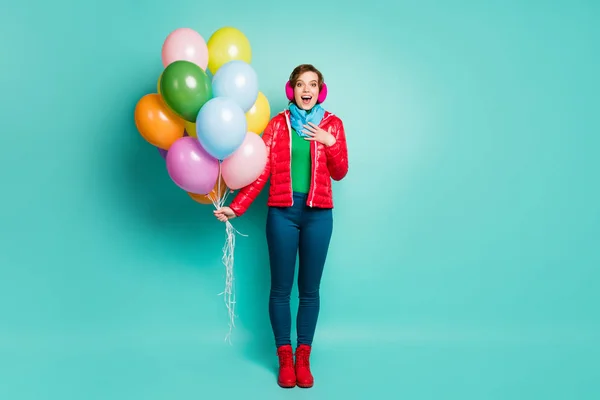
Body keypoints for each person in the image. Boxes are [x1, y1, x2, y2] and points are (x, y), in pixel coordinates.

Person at [214, 64, 349, 388]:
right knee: (280, 289)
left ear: (320, 90)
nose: (306, 90)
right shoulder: (277, 125)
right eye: (300, 84)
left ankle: (304, 358)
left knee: (310, 291)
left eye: (312, 85)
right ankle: (285, 358)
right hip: (283, 215)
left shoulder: (333, 124)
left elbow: (340, 171)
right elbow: (260, 171)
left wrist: (331, 142)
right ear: (292, 90)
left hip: (319, 215)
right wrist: (238, 207)